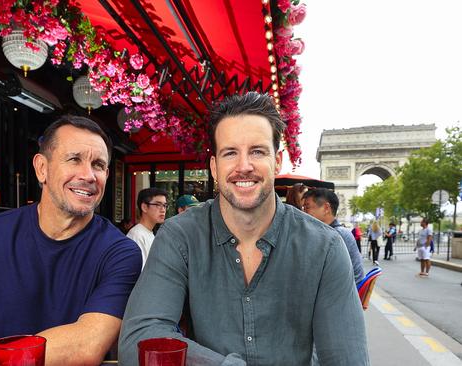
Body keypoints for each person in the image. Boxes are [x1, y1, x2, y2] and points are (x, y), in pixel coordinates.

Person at [119, 93, 368, 365]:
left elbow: (346, 358)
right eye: (230, 153)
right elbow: (140, 339)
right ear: (214, 166)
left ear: (277, 161)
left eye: (257, 151)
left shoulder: (325, 247)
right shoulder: (180, 237)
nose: (244, 166)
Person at [0, 116, 143, 366]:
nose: (88, 175)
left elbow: (85, 346)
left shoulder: (120, 252)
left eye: (98, 165)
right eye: (74, 159)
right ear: (42, 168)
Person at [302, 188, 364, 284]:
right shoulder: (335, 232)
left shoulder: (336, 236)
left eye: (307, 207)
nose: (303, 212)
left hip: (344, 293)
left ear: (326, 208)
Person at [127, 187, 168, 267]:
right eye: (158, 205)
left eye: (165, 205)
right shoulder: (137, 235)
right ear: (144, 207)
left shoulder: (149, 233)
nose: (163, 210)